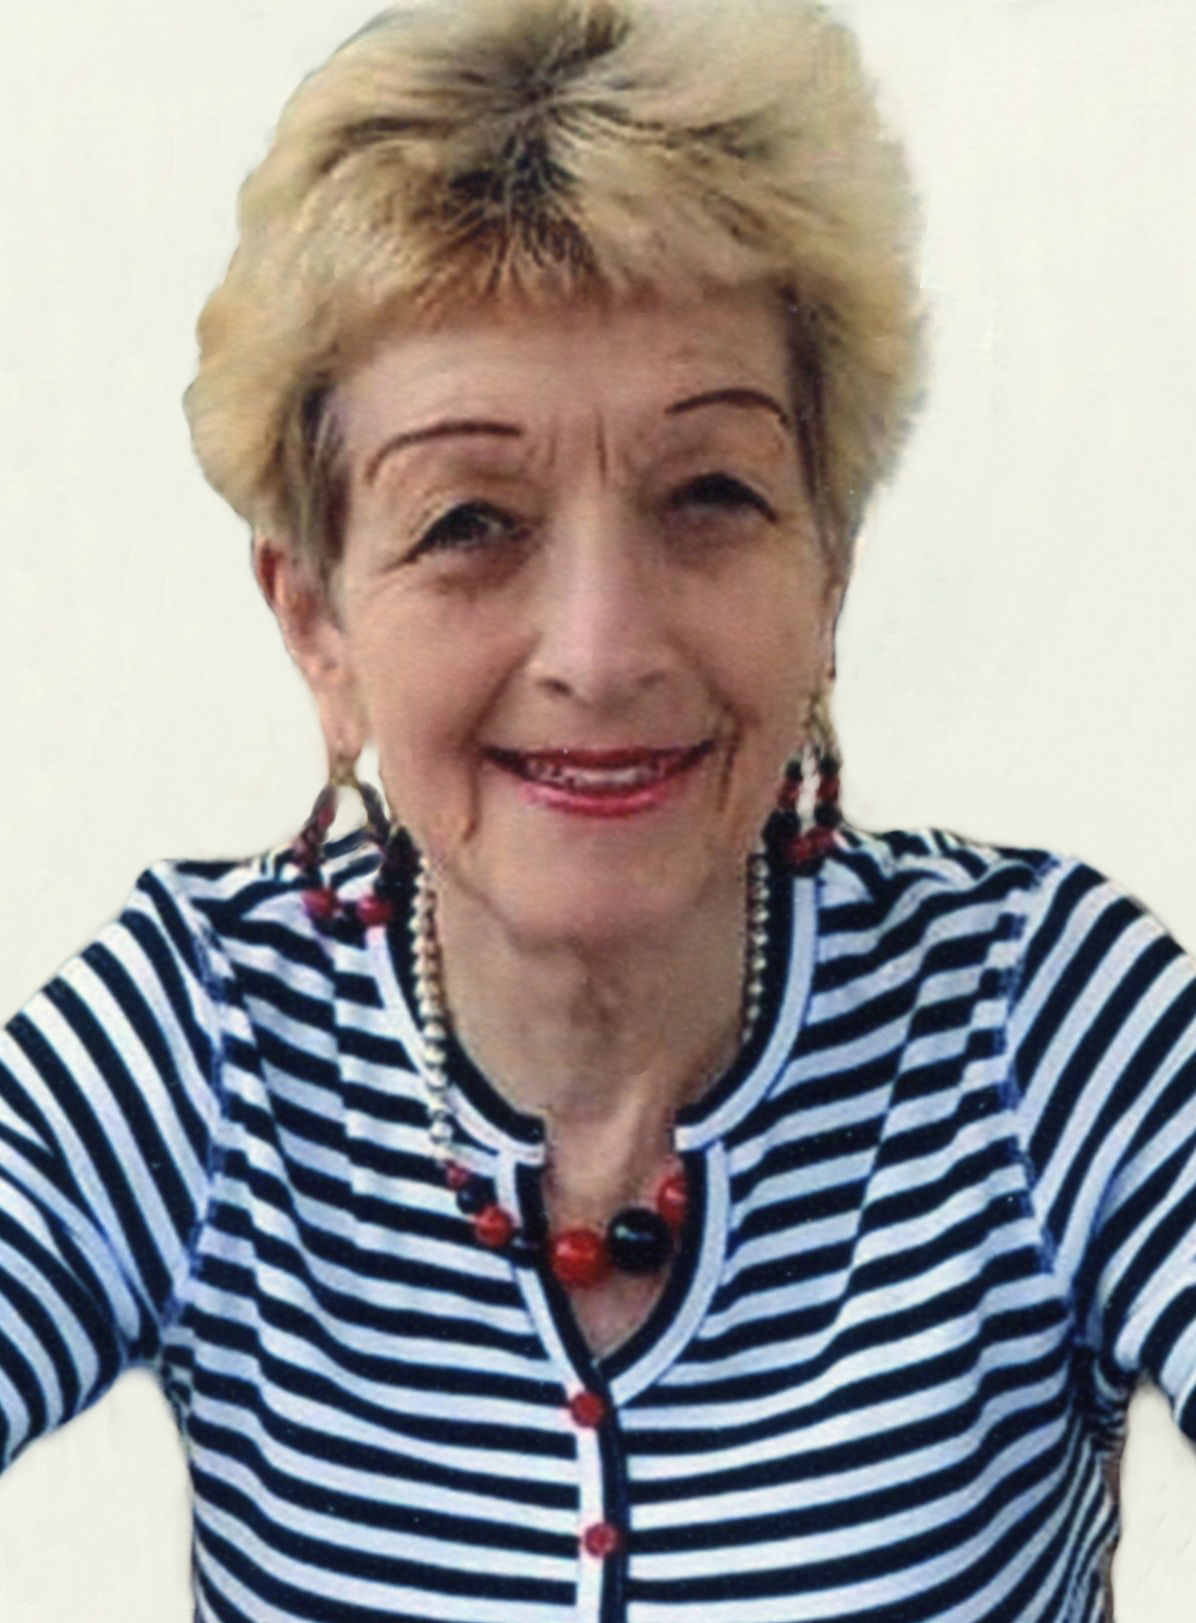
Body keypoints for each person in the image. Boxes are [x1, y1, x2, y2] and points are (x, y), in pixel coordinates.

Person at [1, 0, 1195, 1620]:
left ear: (828, 575)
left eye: (710, 495)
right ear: (320, 623)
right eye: (469, 522)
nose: (602, 649)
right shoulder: (202, 1040)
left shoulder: (1038, 1021)